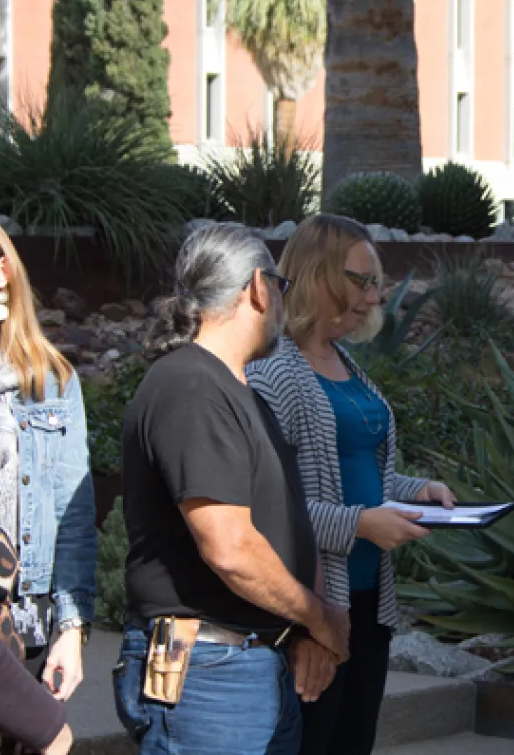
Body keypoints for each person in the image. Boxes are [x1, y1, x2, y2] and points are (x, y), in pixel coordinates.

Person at [113, 223, 350, 755]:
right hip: (209, 675)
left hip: (251, 664)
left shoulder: (241, 391)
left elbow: (288, 519)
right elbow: (231, 548)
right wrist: (319, 616)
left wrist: (305, 632)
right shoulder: (190, 386)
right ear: (258, 289)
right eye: (281, 289)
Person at [247, 214, 457, 755]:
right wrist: (359, 524)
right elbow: (265, 508)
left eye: (375, 281)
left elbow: (364, 474)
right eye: (361, 281)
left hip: (368, 603)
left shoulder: (345, 362)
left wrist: (418, 491)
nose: (374, 295)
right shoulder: (274, 371)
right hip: (312, 607)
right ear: (318, 277)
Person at [0, 209, 98, 697]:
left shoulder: (48, 380)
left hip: (28, 621)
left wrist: (71, 630)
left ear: (1, 274)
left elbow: (73, 511)